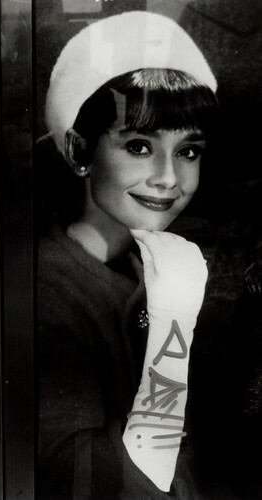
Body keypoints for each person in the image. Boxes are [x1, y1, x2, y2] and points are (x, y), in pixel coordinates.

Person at [36, 11, 225, 499]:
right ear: (79, 152)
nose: (168, 177)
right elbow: (96, 483)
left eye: (188, 151)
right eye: (139, 146)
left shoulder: (150, 265)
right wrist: (175, 325)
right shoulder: (46, 291)